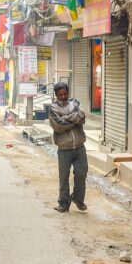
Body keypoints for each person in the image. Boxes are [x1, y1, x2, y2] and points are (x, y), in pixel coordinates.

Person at [49, 83, 88, 212]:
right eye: (60, 95)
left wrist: (65, 118)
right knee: (64, 177)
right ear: (56, 95)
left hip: (79, 147)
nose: (63, 96)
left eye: (65, 94)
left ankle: (78, 199)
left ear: (68, 92)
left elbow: (82, 117)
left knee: (81, 174)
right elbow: (59, 126)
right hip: (64, 148)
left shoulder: (75, 103)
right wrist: (74, 120)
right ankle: (64, 203)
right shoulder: (53, 108)